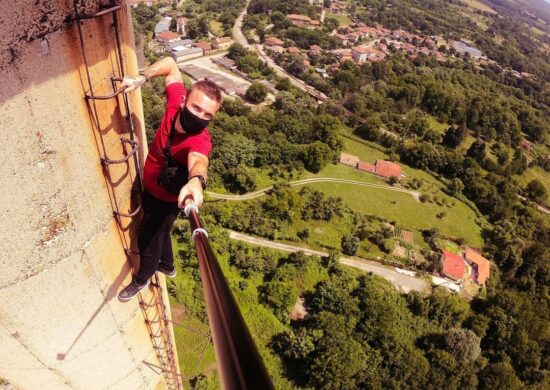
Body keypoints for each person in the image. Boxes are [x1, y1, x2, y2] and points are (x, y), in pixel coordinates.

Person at [118, 57, 223, 301]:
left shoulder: (199, 140)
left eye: (207, 114)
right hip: (152, 188)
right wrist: (142, 78)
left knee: (148, 240)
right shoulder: (176, 102)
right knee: (161, 232)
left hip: (168, 199)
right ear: (186, 99)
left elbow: (199, 161)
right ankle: (168, 265)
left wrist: (197, 181)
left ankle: (142, 279)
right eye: (197, 108)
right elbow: (170, 65)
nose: (200, 116)